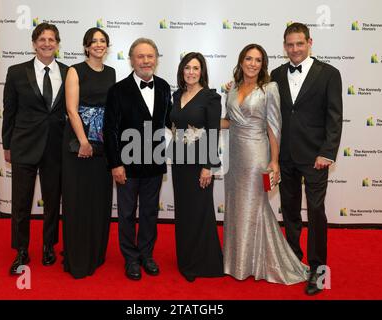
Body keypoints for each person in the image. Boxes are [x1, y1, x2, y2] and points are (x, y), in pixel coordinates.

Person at [222, 44, 308, 285]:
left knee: (253, 205)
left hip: (256, 154)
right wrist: (201, 122)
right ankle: (236, 260)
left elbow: (274, 126)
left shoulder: (269, 88)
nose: (252, 64)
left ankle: (255, 262)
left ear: (263, 64)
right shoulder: (233, 87)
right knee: (237, 205)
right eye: (248, 59)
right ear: (241, 61)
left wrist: (274, 160)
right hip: (235, 155)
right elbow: (229, 121)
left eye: (257, 60)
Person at [270, 23, 342, 295]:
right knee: (289, 212)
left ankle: (318, 269)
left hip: (315, 157)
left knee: (316, 212)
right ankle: (291, 259)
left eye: (299, 43)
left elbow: (334, 117)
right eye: (290, 44)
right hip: (286, 155)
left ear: (309, 42)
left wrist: (328, 152)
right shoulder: (275, 74)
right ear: (284, 45)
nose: (295, 49)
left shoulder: (329, 73)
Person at [2, 23, 68, 275]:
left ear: (57, 44)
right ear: (34, 43)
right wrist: (7, 144)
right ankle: (21, 250)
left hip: (55, 146)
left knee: (53, 201)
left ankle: (49, 246)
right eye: (42, 39)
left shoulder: (67, 71)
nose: (47, 43)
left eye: (52, 39)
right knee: (21, 202)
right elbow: (9, 111)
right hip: (24, 144)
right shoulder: (17, 72)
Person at [105, 38, 172, 280]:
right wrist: (115, 163)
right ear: (132, 60)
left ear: (156, 59)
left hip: (154, 163)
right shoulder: (118, 90)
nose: (146, 61)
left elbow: (170, 122)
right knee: (125, 213)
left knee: (149, 212)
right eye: (140, 56)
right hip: (126, 165)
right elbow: (110, 130)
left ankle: (146, 254)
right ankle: (130, 258)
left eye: (150, 56)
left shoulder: (164, 87)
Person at [61, 28, 115, 279]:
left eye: (102, 41)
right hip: (79, 144)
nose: (98, 45)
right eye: (93, 42)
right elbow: (72, 110)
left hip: (103, 145)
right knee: (79, 199)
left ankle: (96, 252)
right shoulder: (75, 71)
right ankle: (79, 256)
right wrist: (84, 142)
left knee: (99, 198)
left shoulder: (112, 72)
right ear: (85, 46)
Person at [170, 52, 224, 282]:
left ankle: (204, 263)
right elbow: (171, 122)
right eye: (187, 68)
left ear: (202, 72)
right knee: (184, 211)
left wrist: (208, 166)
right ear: (182, 71)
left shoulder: (211, 97)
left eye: (196, 68)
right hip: (179, 162)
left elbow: (213, 130)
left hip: (199, 163)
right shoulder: (176, 95)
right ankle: (186, 258)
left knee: (200, 211)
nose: (191, 72)